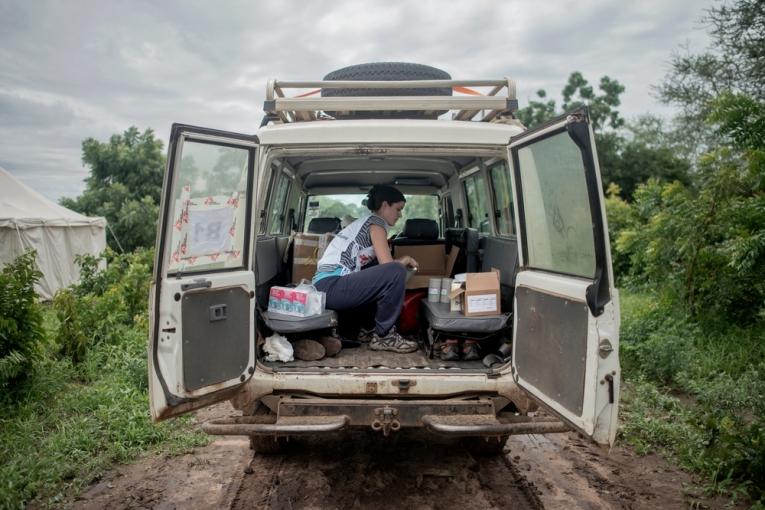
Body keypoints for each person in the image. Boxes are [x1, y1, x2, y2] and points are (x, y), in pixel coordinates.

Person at [312, 185, 418, 353]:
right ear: (384, 206)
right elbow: (388, 266)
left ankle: (367, 329)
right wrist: (403, 261)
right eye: (398, 209)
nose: (400, 215)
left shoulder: (366, 222)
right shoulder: (376, 223)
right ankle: (384, 337)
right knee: (395, 271)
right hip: (331, 285)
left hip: (326, 288)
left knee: (376, 269)